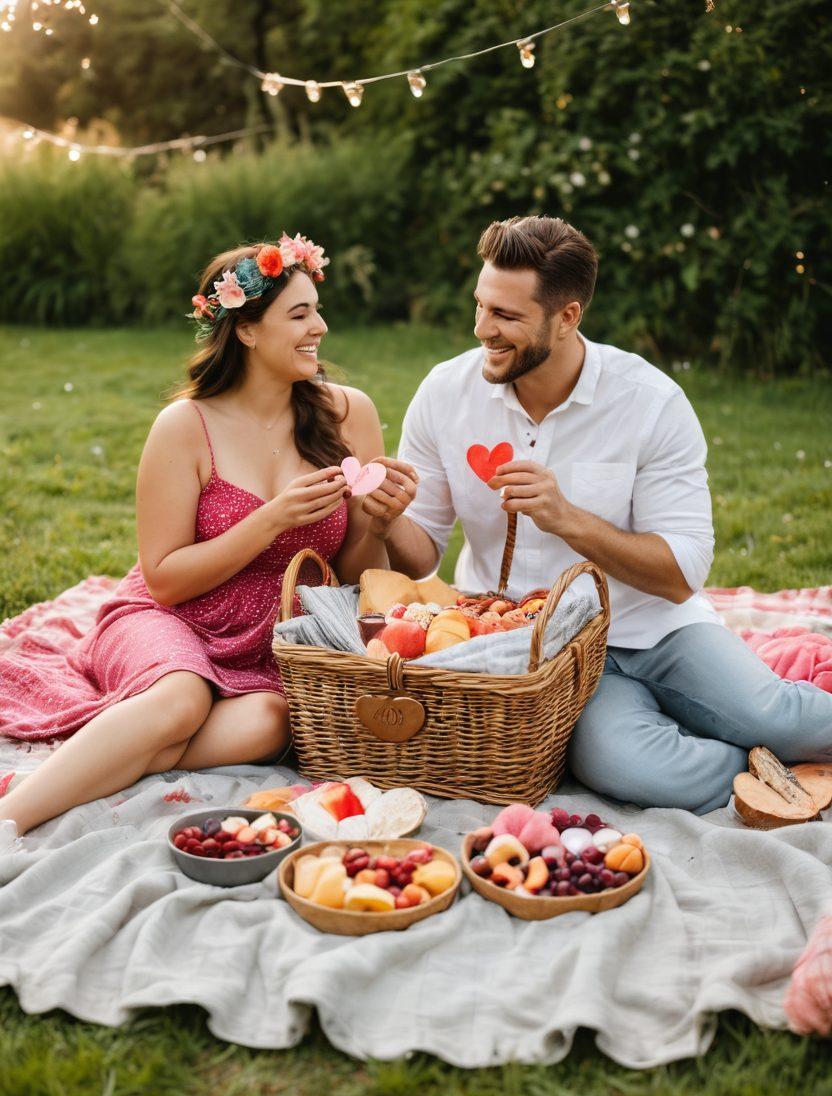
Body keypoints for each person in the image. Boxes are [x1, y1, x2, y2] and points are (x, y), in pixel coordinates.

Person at [363, 215, 832, 813]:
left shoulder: (650, 401)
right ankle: (758, 770)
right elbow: (423, 551)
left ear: (567, 318)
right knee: (623, 766)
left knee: (777, 716)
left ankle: (767, 733)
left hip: (655, 627)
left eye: (506, 316)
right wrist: (387, 522)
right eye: (481, 306)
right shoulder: (444, 393)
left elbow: (682, 572)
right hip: (531, 649)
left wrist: (569, 519)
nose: (482, 329)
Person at [0, 233, 417, 842]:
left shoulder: (350, 413)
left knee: (273, 723)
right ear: (246, 330)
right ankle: (12, 817)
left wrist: (376, 524)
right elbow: (165, 579)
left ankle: (119, 750)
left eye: (317, 311)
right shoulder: (185, 425)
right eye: (299, 314)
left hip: (270, 640)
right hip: (171, 617)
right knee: (182, 701)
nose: (320, 327)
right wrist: (271, 519)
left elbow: (352, 577)